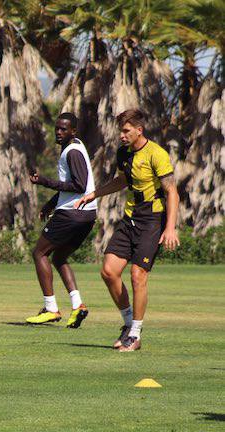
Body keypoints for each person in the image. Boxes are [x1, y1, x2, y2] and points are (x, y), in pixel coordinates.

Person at [75, 109, 180, 351]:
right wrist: (93, 195)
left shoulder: (156, 154)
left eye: (126, 131)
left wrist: (170, 227)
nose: (121, 135)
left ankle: (135, 334)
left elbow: (171, 191)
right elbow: (121, 181)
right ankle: (128, 324)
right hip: (130, 218)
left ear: (139, 130)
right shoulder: (123, 153)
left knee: (137, 275)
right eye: (120, 131)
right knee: (109, 272)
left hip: (152, 221)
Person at [25, 112, 96, 328]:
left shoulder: (72, 152)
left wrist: (45, 181)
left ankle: (51, 309)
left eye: (64, 129)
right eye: (57, 128)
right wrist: (50, 204)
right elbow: (72, 186)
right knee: (59, 257)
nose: (58, 132)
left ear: (73, 131)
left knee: (39, 253)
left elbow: (79, 186)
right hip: (87, 214)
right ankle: (78, 305)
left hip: (71, 214)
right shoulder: (75, 146)